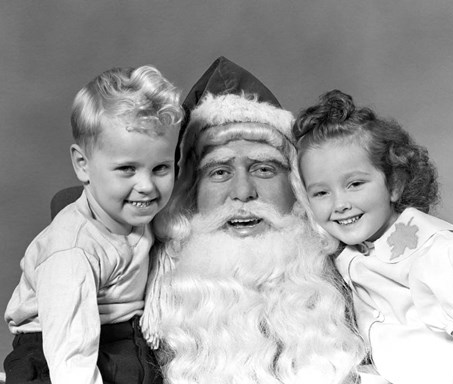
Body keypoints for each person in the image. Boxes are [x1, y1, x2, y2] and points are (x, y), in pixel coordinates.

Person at [140, 57, 365, 384]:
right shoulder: (142, 293)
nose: (243, 193)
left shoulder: (359, 280)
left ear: (296, 189)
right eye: (219, 171)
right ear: (190, 194)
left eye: (264, 169)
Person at [4, 65, 183, 384]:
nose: (147, 186)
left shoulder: (136, 213)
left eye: (160, 168)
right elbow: (71, 354)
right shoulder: (72, 251)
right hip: (55, 349)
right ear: (82, 165)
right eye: (127, 169)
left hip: (123, 336)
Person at [293, 89, 453, 384]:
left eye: (354, 183)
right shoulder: (346, 258)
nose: (339, 203)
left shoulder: (438, 250)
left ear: (394, 184)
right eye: (321, 192)